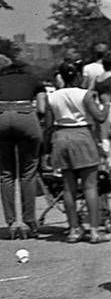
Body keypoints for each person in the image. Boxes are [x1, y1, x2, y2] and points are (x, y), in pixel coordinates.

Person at [46, 71, 109, 243]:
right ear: (79, 78)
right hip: (82, 135)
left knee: (68, 187)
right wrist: (106, 103)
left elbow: (49, 123)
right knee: (90, 186)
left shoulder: (51, 96)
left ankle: (73, 229)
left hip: (61, 136)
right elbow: (100, 117)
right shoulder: (85, 95)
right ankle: (95, 230)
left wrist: (46, 149)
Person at [0, 60, 47, 240]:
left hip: (1, 117)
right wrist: (39, 121)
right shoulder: (33, 80)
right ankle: (29, 221)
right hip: (26, 115)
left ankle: (12, 223)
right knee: (28, 172)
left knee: (5, 173)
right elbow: (42, 107)